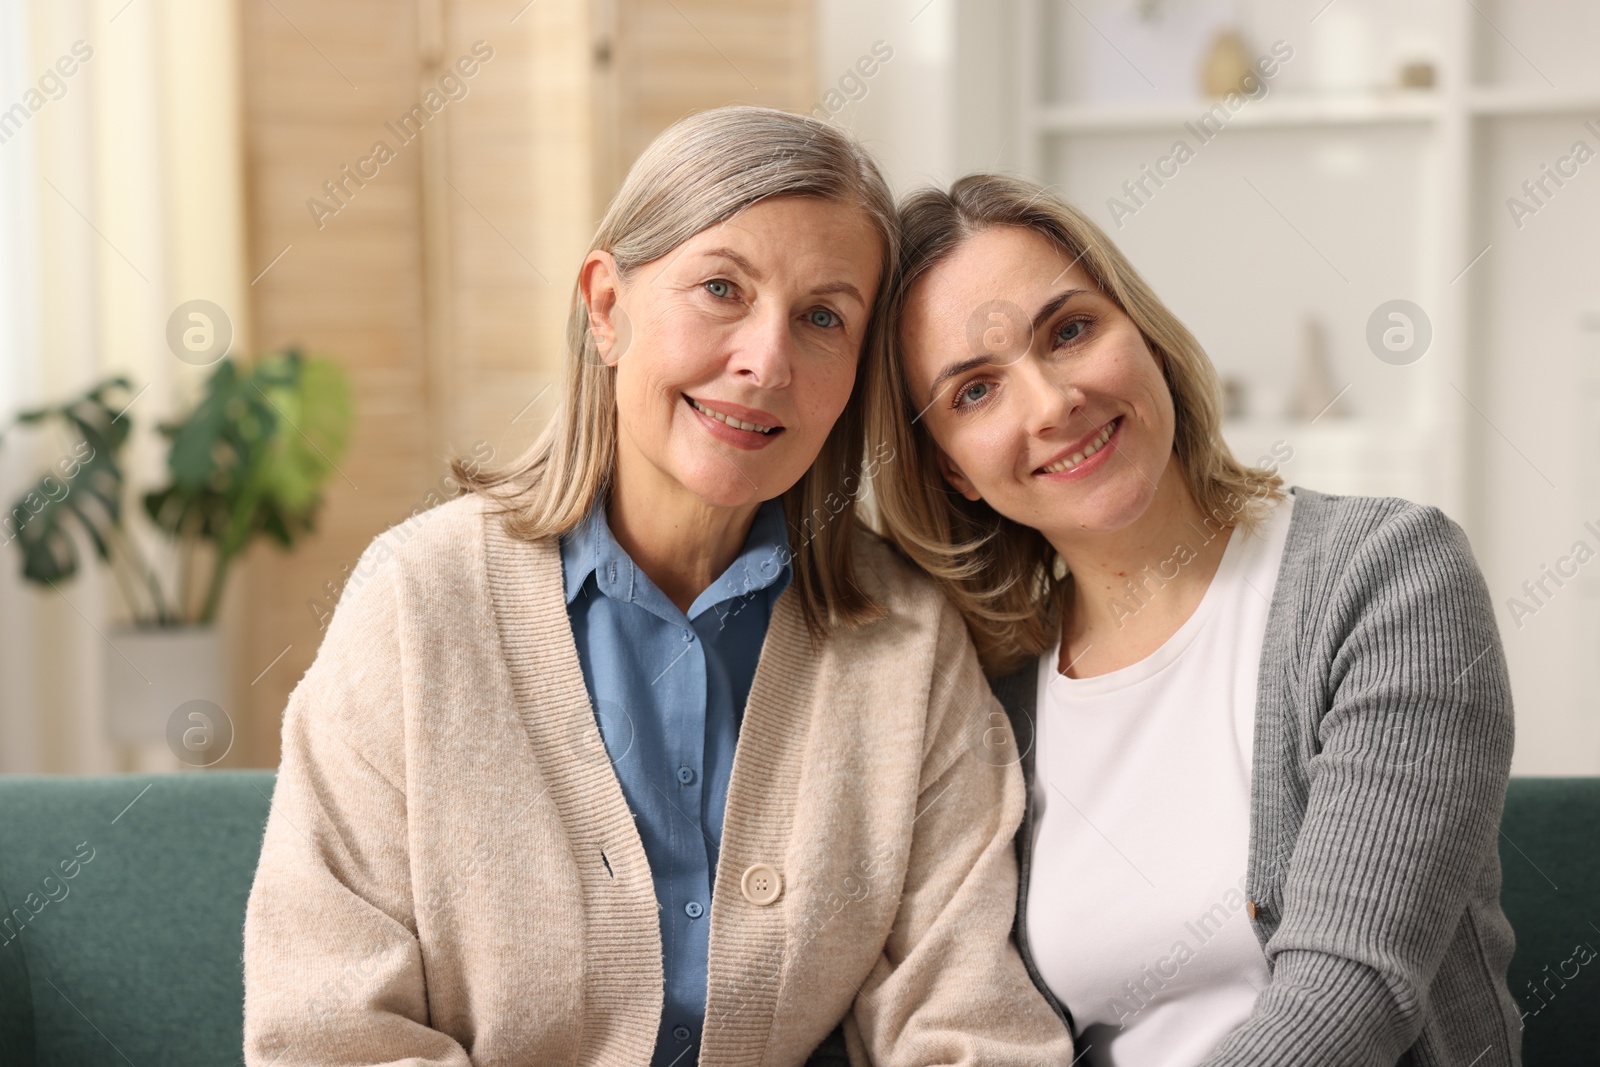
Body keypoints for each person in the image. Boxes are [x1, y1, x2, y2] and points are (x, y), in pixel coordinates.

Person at [242, 110, 1075, 1067]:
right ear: (606, 307)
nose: (766, 362)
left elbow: (970, 1024)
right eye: (722, 288)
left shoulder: (908, 639)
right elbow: (328, 1035)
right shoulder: (416, 604)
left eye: (823, 318)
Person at [866, 173, 1520, 1066]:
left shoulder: (1386, 576)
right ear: (952, 471)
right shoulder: (988, 692)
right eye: (975, 391)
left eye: (1070, 331)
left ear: (1142, 333)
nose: (1052, 404)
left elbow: (1353, 992)